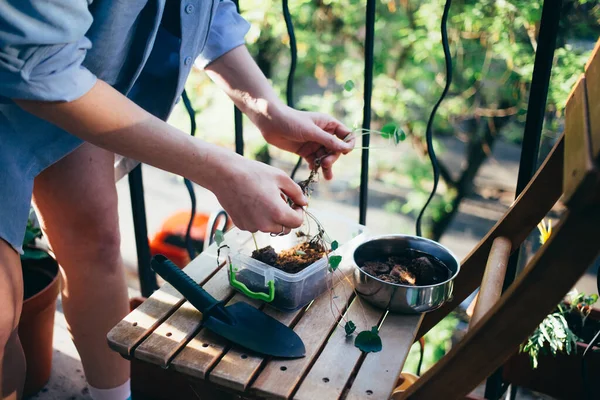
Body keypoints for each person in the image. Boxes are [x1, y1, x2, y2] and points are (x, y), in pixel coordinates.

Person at [0, 1, 354, 399]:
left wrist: (266, 109)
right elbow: (39, 65)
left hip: (73, 85)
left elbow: (207, 9)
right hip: (34, 79)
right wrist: (221, 171)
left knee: (94, 242)